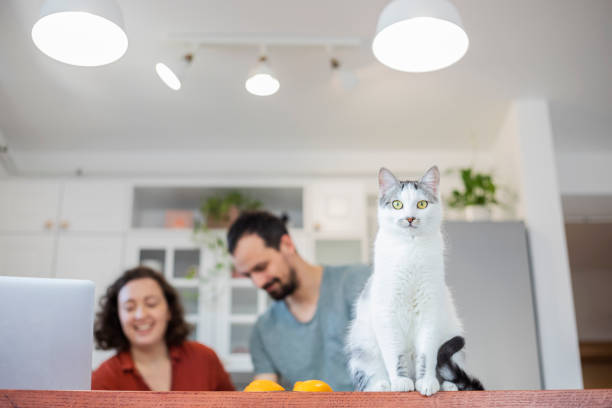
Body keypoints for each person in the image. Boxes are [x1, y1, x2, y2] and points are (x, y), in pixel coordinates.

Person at [227, 211, 371, 391]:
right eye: (248, 275)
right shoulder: (263, 330)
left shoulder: (358, 283)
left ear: (287, 245)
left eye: (261, 267)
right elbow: (263, 395)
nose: (258, 282)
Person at [91, 266, 235, 391]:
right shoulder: (104, 379)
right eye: (130, 308)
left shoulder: (205, 359)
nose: (141, 315)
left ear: (169, 311)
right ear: (117, 318)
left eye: (151, 304)